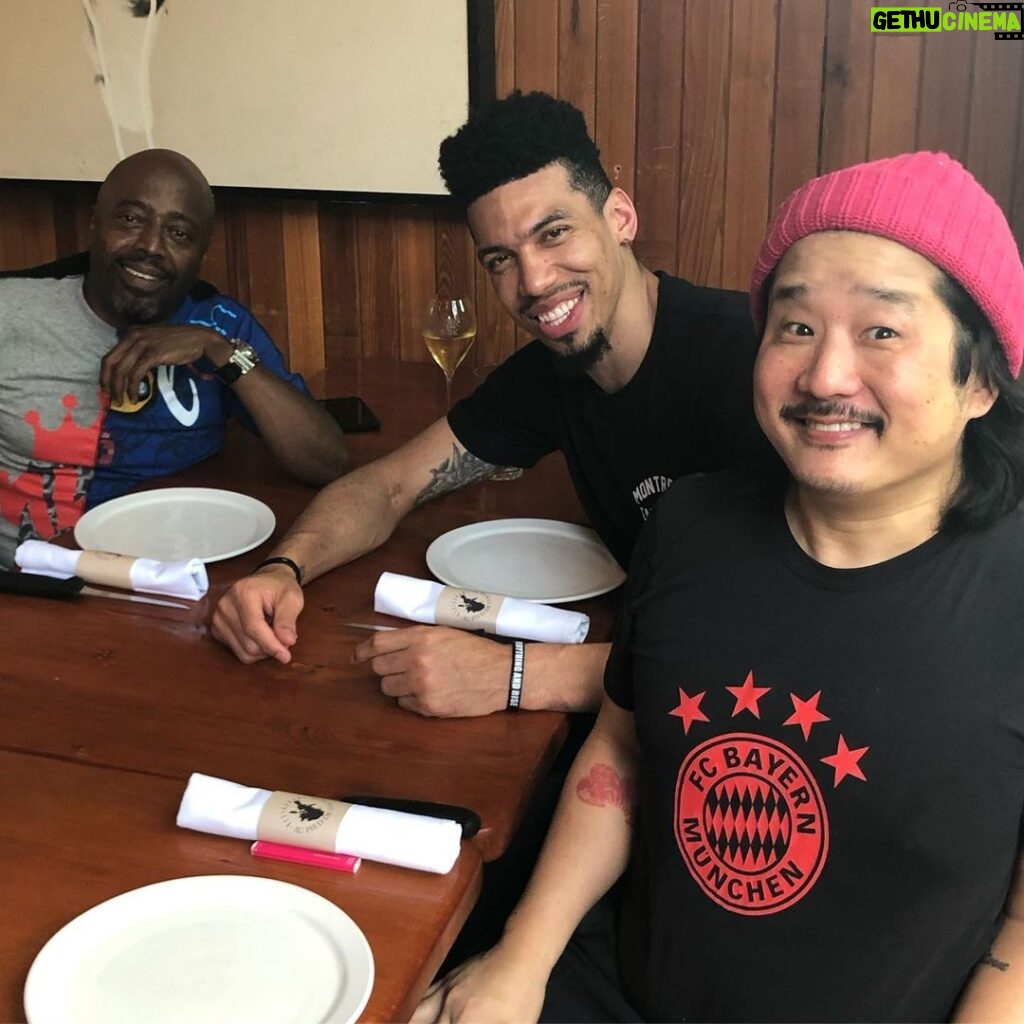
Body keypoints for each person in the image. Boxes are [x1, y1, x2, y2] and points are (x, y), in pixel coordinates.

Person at [413, 151, 1024, 1023]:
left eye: (882, 332)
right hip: (624, 993)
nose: (824, 378)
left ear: (979, 380)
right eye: (796, 326)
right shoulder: (691, 527)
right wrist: (521, 959)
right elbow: (621, 754)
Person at [212, 91, 771, 717]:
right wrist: (283, 570)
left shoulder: (753, 366)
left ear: (619, 216)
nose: (533, 282)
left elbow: (785, 647)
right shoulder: (551, 373)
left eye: (554, 233)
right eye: (501, 260)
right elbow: (390, 486)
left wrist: (514, 675)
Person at [0, 148, 348, 569]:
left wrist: (218, 350)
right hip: (28, 588)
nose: (150, 246)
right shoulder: (12, 310)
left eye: (179, 233)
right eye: (130, 219)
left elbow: (326, 461)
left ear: (202, 253)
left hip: (173, 576)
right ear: (95, 221)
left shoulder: (220, 323)